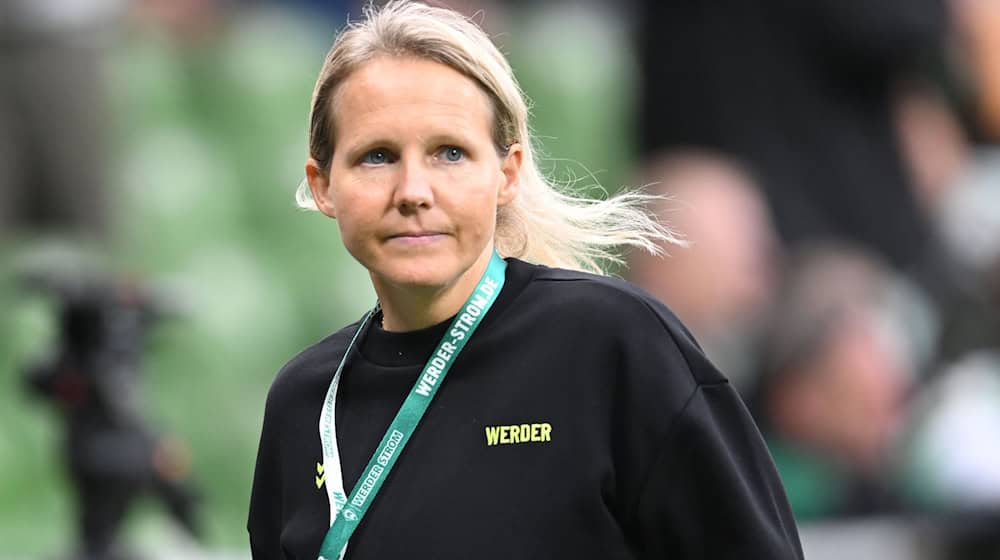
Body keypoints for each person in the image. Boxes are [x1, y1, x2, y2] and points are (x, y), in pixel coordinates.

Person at [248, 2, 803, 559]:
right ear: (323, 186)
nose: (413, 191)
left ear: (506, 174)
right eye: (377, 156)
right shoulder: (304, 401)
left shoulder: (612, 344)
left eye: (450, 153)